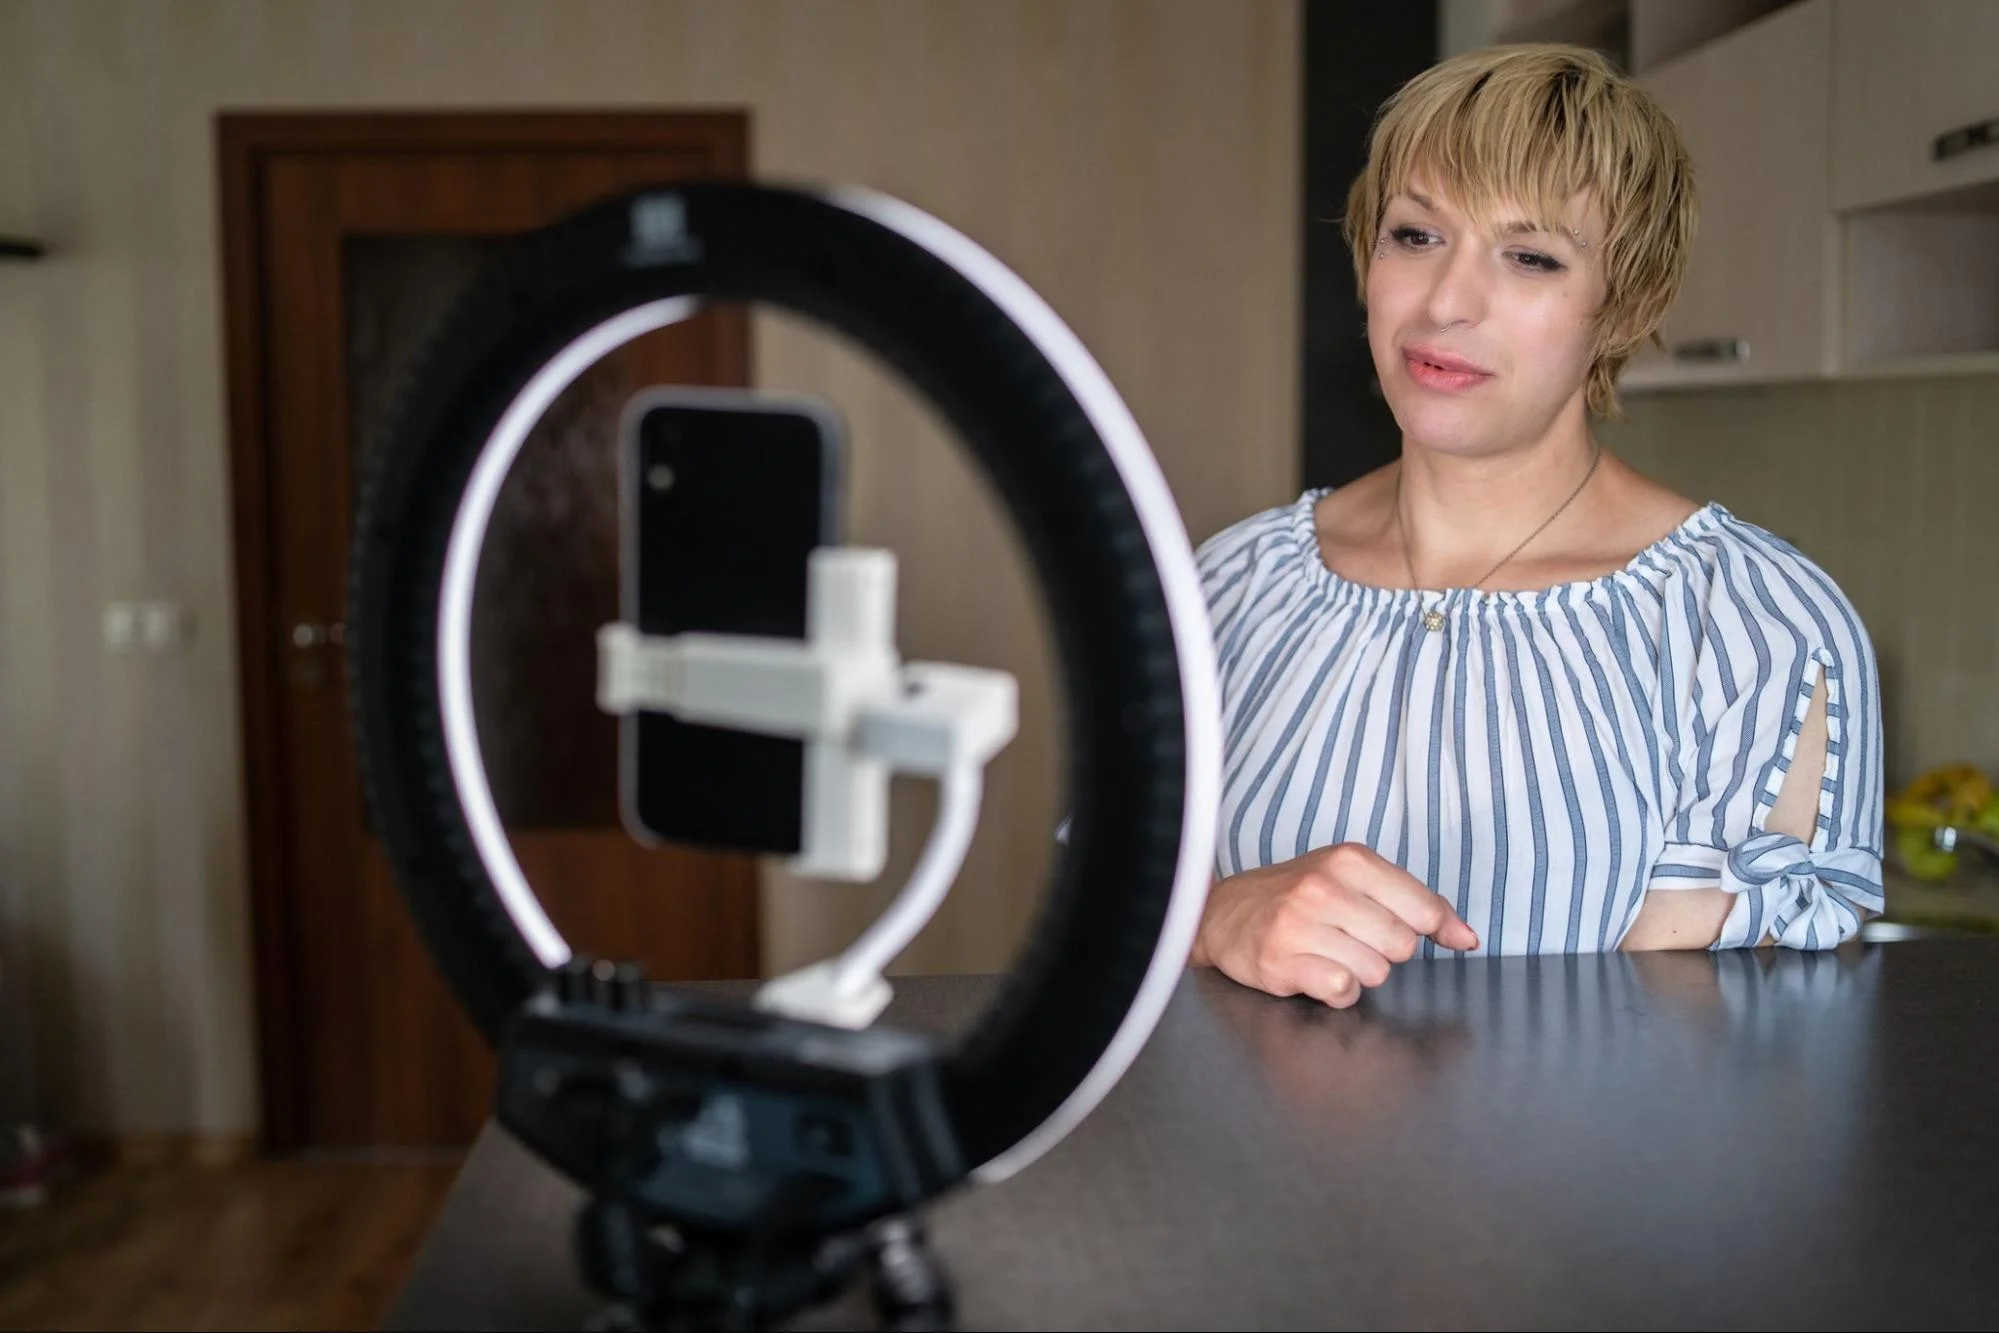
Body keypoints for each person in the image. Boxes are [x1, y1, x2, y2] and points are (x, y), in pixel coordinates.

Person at [1190, 43, 1883, 1007]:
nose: (1445, 304)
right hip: (1233, 1159)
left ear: (1620, 307)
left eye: (1529, 257)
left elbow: (1749, 1073)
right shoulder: (1222, 587)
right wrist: (1215, 918)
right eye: (1414, 236)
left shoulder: (1757, 628)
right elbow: (1102, 925)